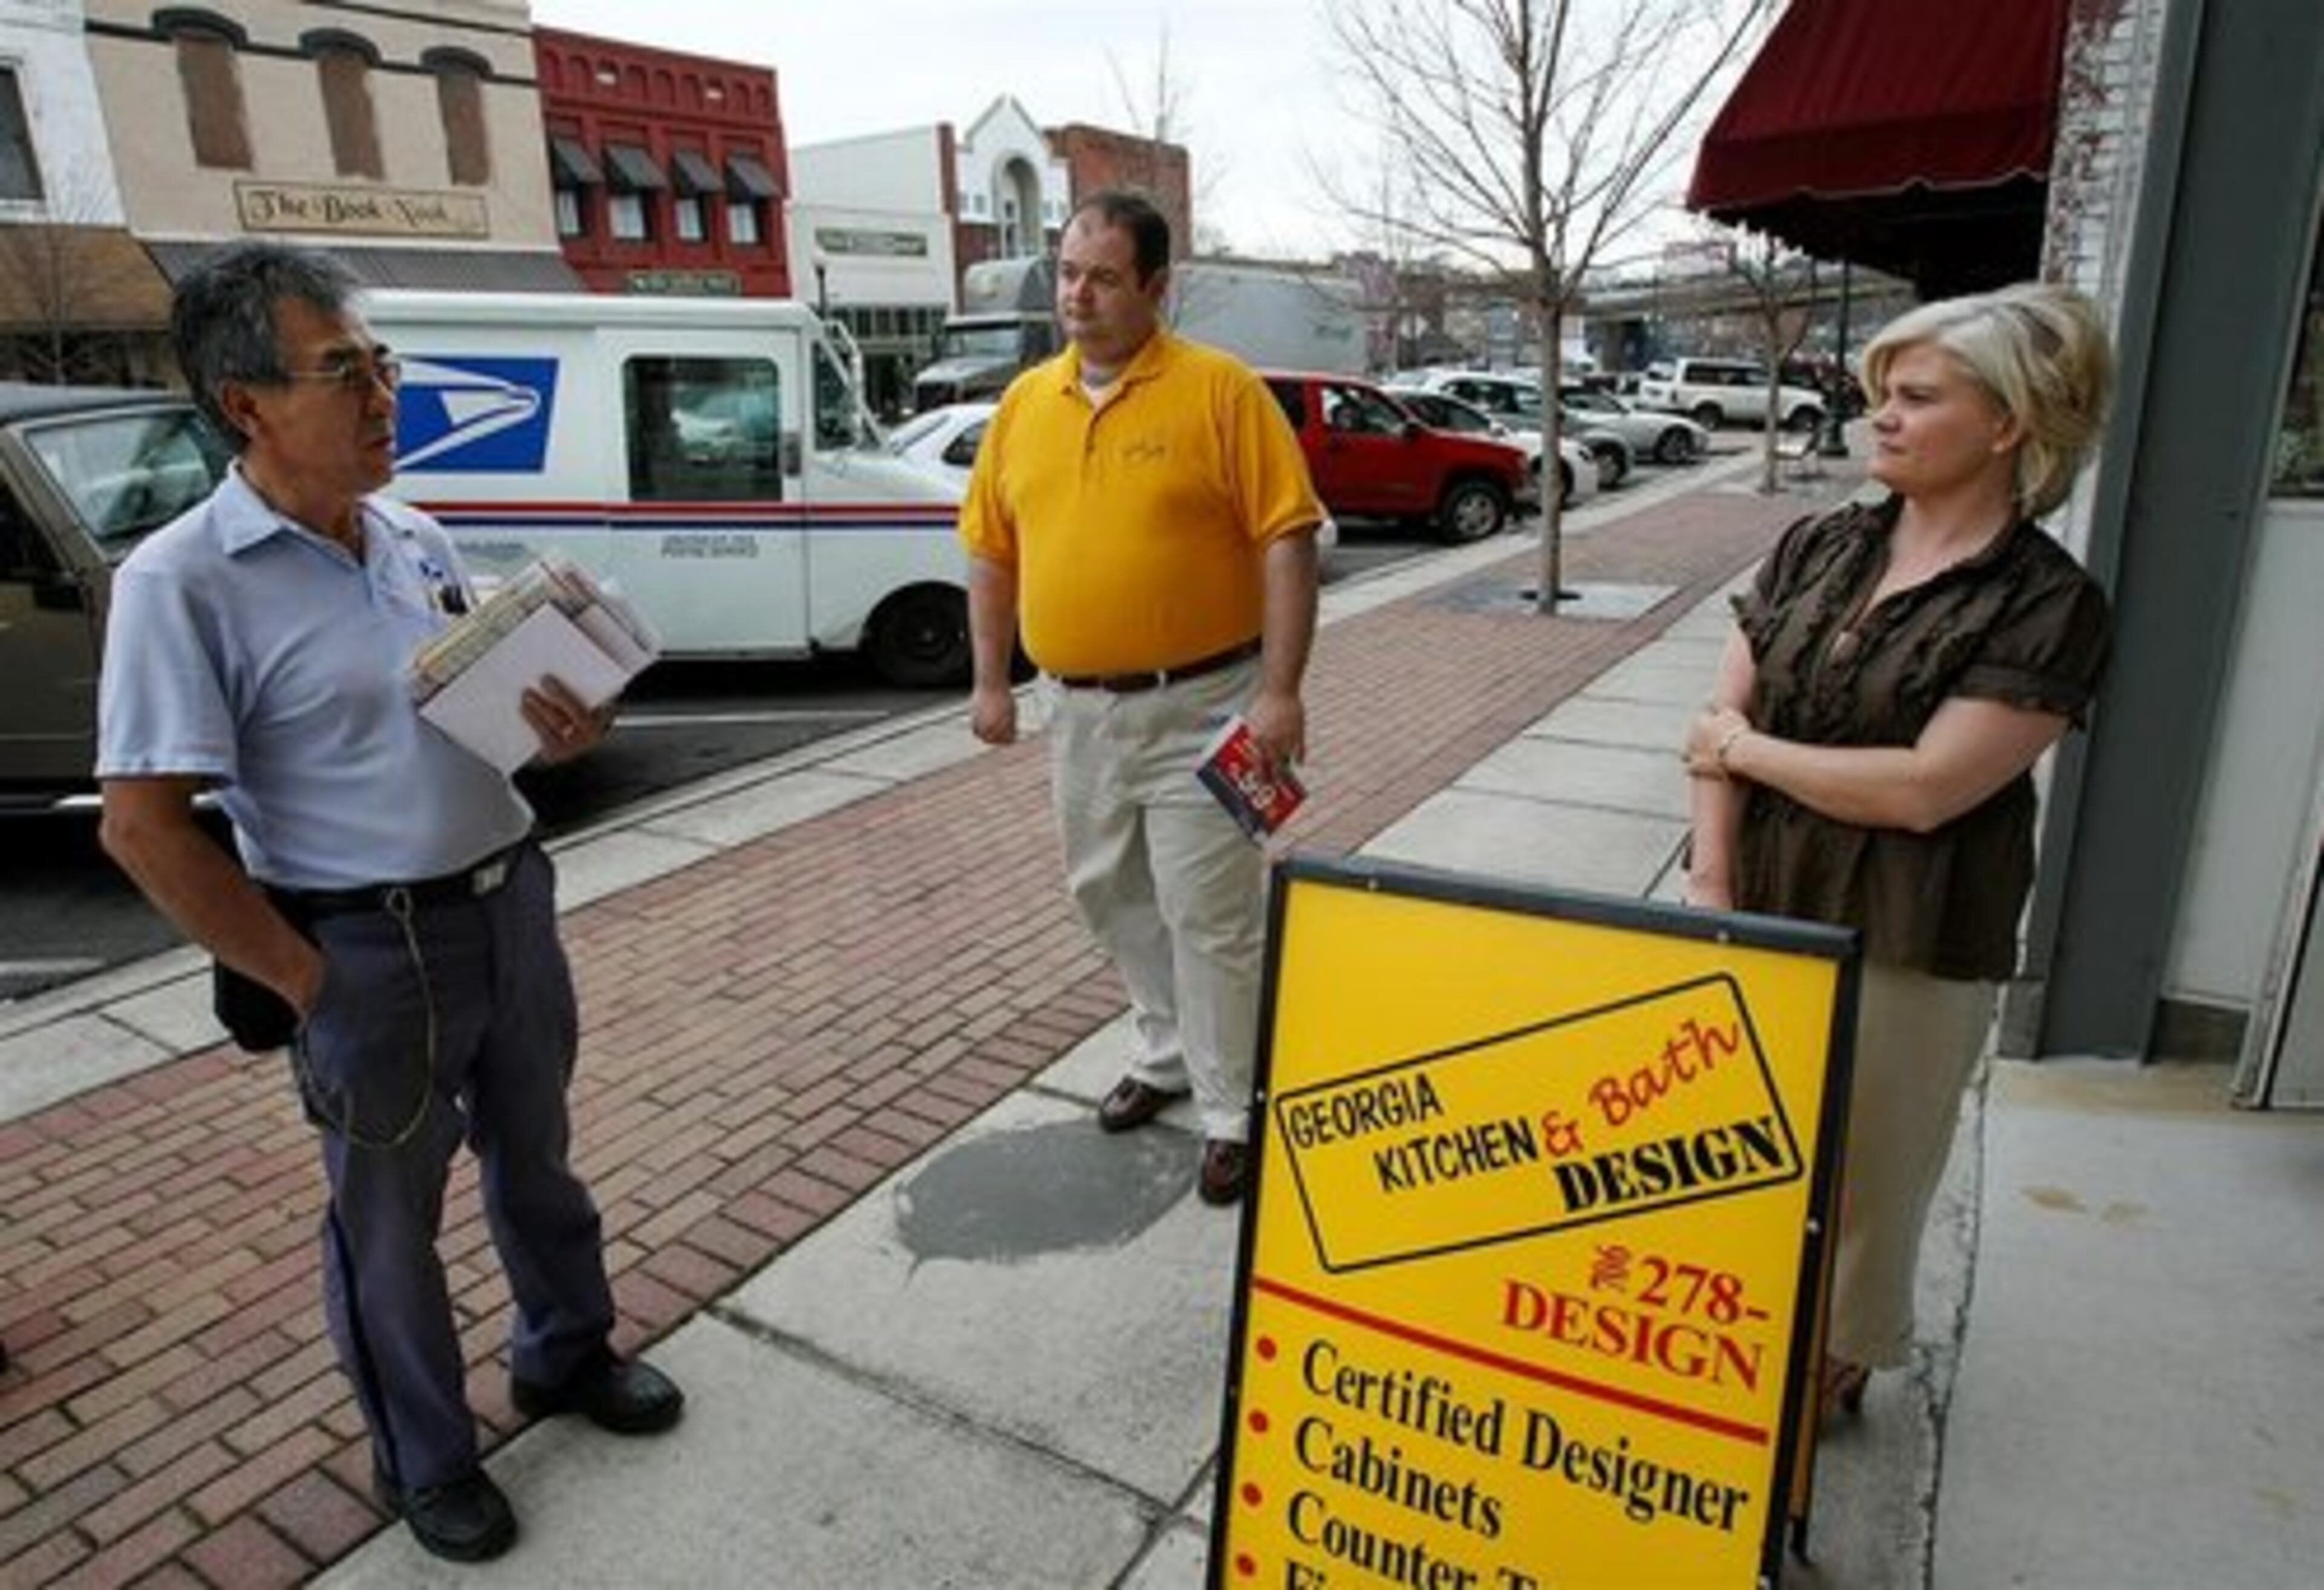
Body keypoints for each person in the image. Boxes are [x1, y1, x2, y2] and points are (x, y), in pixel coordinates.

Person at [96, 241, 681, 1563]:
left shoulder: (412, 532)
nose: (386, 395)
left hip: (507, 903)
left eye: (384, 364)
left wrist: (556, 729)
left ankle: (566, 1353)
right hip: (364, 950)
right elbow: (144, 827)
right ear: (245, 404)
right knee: (387, 1233)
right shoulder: (180, 581)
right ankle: (427, 1458)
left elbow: (468, 725)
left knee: (538, 1162)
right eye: (344, 371)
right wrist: (306, 982)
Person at [1682, 282, 2114, 1418]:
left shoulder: (2048, 603)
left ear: (2008, 425)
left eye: (1916, 397)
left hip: (1915, 932)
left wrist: (1749, 750)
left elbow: (1927, 790)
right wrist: (1714, 885)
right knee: (1736, 1156)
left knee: (1868, 1178)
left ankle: (1826, 1389)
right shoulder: (1820, 542)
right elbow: (1710, 730)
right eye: (1881, 393)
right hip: (1761, 903)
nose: (1880, 416)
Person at [959, 189, 1325, 1206]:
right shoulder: (1025, 406)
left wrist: (1282, 693)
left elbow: (1285, 540)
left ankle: (1228, 1106)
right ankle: (1165, 1055)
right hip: (1076, 715)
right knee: (1106, 893)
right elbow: (991, 553)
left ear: (1157, 287)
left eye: (1104, 277)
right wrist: (993, 680)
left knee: (1210, 913)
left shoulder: (1222, 393)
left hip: (1211, 706)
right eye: (1070, 272)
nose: (1078, 294)